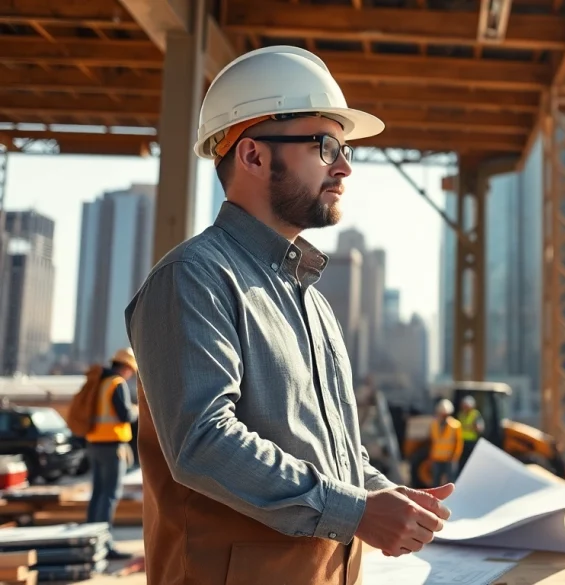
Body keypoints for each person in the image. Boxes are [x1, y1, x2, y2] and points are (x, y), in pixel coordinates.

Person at [124, 46, 453, 585]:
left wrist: (376, 492)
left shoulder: (311, 300)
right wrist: (358, 512)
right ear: (253, 156)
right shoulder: (193, 278)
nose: (344, 166)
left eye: (344, 148)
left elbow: (326, 450)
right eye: (325, 146)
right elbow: (204, 441)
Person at [84, 347, 138, 561]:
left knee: (98, 493)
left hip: (94, 444)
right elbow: (125, 414)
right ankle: (105, 545)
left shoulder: (99, 382)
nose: (131, 374)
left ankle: (89, 540)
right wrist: (138, 409)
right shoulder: (117, 384)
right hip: (111, 445)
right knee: (109, 494)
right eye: (131, 370)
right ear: (125, 367)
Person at [429, 399, 463, 486]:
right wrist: (431, 455)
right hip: (437, 458)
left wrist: (455, 457)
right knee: (436, 481)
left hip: (450, 459)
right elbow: (433, 441)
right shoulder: (434, 424)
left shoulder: (455, 425)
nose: (443, 416)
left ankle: (451, 499)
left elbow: (459, 443)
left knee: (450, 482)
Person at [457, 395, 484, 471]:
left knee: (470, 462)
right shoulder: (461, 414)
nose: (464, 408)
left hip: (471, 442)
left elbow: (480, 428)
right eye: (464, 406)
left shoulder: (475, 415)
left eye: (466, 406)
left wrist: (474, 427)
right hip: (462, 441)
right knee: (461, 462)